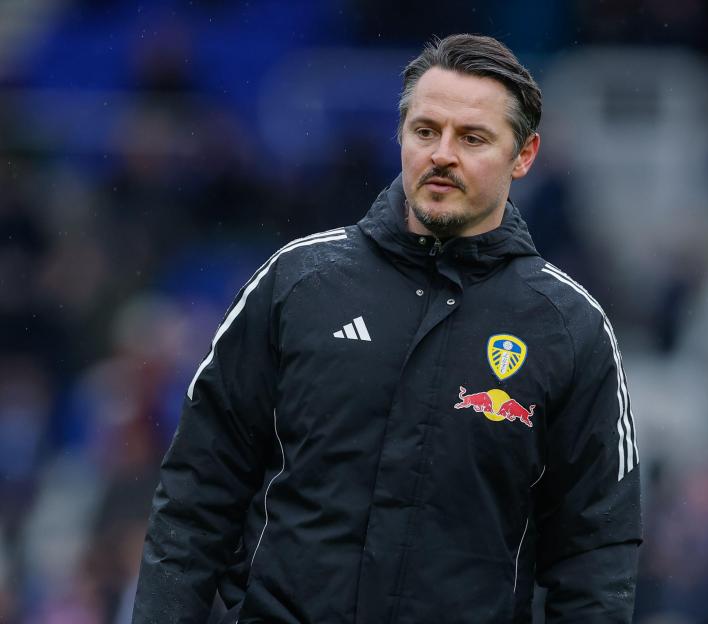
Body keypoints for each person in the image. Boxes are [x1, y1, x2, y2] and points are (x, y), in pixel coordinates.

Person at [133, 33, 641, 624]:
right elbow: (197, 493)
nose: (442, 154)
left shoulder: (570, 328)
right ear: (401, 135)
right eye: (426, 131)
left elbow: (596, 556)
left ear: (524, 156)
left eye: (472, 138)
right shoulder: (299, 283)